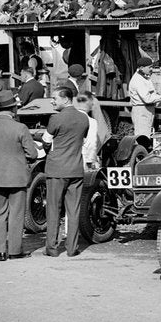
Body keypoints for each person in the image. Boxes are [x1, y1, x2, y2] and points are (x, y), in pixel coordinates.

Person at [0, 90, 37, 261]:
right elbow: (32, 154)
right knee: (17, 214)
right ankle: (14, 251)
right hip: (17, 175)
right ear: (13, 109)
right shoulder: (20, 128)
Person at [42, 86, 88, 257]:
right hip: (76, 169)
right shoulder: (84, 119)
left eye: (55, 98)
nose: (52, 101)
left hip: (56, 169)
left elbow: (47, 141)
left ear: (66, 99)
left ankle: (52, 248)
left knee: (53, 209)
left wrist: (50, 151)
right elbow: (82, 139)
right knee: (73, 210)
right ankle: (72, 248)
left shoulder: (55, 119)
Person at [127, 64, 161, 139]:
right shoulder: (138, 80)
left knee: (147, 135)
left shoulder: (144, 77)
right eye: (149, 67)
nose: (151, 69)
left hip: (146, 111)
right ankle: (141, 150)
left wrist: (157, 95)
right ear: (142, 68)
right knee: (142, 138)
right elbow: (147, 99)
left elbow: (150, 92)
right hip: (142, 111)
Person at [73, 93, 100, 169]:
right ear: (89, 103)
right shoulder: (91, 122)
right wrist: (91, 161)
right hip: (82, 160)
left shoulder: (68, 117)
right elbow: (91, 144)